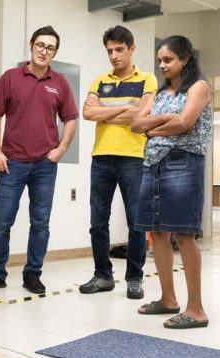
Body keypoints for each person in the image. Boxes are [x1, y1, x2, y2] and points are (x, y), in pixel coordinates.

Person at [0, 26, 78, 295]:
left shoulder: (60, 83)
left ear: (55, 52)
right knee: (2, 221)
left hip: (45, 165)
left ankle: (33, 274)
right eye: (40, 45)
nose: (44, 51)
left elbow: (71, 119)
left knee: (40, 223)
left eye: (50, 47)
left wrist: (62, 148)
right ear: (31, 46)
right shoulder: (10, 78)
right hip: (13, 163)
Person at [130, 35, 212, 329]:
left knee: (184, 233)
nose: (162, 65)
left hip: (183, 162)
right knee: (157, 232)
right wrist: (163, 117)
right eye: (160, 60)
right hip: (153, 165)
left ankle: (196, 309)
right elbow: (135, 124)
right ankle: (168, 299)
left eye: (168, 60)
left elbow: (185, 123)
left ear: (185, 60)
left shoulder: (199, 88)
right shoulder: (158, 95)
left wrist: (153, 129)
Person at [79, 26, 157, 300]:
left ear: (131, 48)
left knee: (137, 222)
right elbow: (88, 112)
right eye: (110, 50)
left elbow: (141, 115)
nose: (114, 55)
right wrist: (124, 109)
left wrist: (106, 113)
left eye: (119, 49)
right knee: (98, 221)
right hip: (101, 158)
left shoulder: (147, 79)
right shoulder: (99, 81)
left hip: (134, 158)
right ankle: (103, 275)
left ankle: (134, 278)